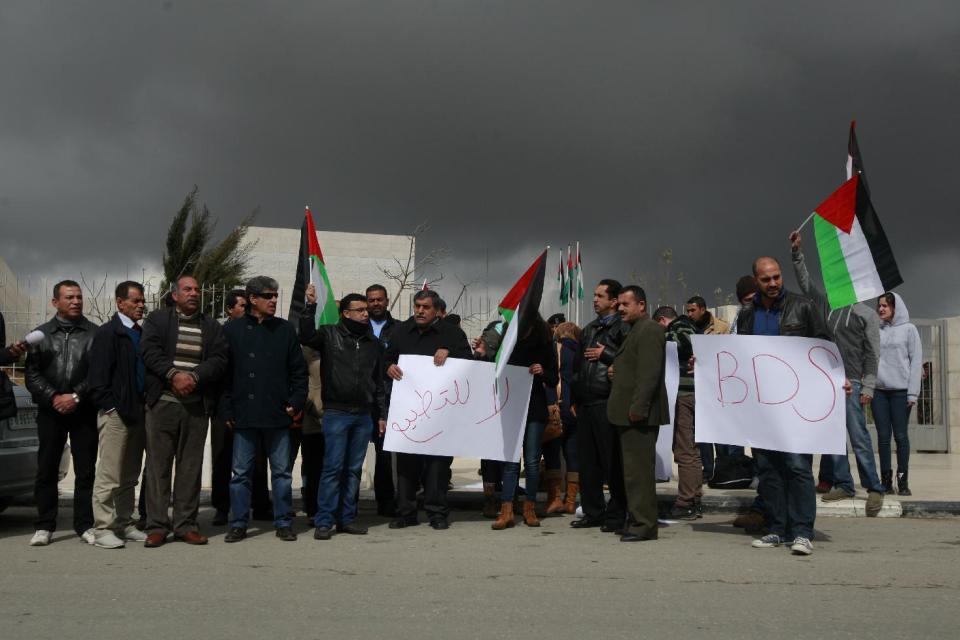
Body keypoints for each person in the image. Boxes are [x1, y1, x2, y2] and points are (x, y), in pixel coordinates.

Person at [737, 257, 836, 556]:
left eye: (776, 277)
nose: (773, 283)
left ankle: (802, 531)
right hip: (762, 405)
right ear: (756, 281)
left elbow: (825, 346)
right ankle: (777, 529)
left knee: (797, 466)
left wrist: (836, 380)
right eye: (766, 279)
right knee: (768, 468)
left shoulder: (802, 306)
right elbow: (740, 354)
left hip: (794, 404)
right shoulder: (747, 315)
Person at [791, 230, 886, 515]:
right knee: (833, 438)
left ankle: (874, 489)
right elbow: (806, 283)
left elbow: (873, 353)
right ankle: (843, 483)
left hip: (854, 384)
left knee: (859, 438)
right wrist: (797, 253)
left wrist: (868, 387)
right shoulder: (826, 306)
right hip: (829, 382)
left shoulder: (866, 314)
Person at [140, 275, 229, 547]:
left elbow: (219, 358)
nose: (194, 293)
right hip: (163, 404)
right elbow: (149, 351)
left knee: (190, 468)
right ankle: (157, 525)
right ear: (175, 295)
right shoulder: (157, 320)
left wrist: (195, 377)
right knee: (158, 467)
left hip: (196, 408)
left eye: (197, 289)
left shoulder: (211, 326)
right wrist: (173, 375)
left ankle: (185, 525)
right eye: (187, 289)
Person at [221, 276, 308, 543]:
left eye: (275, 296)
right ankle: (238, 523)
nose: (273, 301)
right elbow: (225, 374)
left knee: (281, 473)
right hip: (244, 413)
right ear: (252, 299)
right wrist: (226, 409)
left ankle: (283, 521)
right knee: (241, 474)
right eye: (268, 296)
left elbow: (299, 371)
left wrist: (296, 401)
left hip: (278, 413)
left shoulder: (284, 330)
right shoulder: (233, 331)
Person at [300, 286, 385, 540]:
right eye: (359, 310)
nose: (365, 314)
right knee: (333, 468)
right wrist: (310, 306)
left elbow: (378, 382)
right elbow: (305, 335)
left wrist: (381, 414)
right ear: (346, 313)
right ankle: (324, 521)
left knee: (353, 469)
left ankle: (347, 518)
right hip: (336, 412)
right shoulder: (329, 334)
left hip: (362, 415)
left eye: (366, 310)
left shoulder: (373, 343)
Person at [384, 290, 472, 530]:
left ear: (436, 311)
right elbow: (385, 359)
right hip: (408, 411)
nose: (420, 311)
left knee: (437, 467)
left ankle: (437, 513)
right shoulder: (401, 331)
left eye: (425, 307)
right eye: (417, 306)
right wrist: (388, 366)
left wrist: (450, 354)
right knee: (406, 466)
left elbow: (470, 365)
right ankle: (406, 513)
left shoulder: (452, 334)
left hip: (440, 413)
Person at [25, 280, 99, 547]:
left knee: (86, 470)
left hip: (84, 411)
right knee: (46, 469)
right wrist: (54, 397)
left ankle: (85, 525)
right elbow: (31, 375)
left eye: (79, 297)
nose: (76, 301)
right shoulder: (40, 335)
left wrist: (76, 396)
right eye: (69, 297)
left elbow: (98, 374)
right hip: (50, 412)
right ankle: (45, 525)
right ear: (55, 302)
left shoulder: (95, 334)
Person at [479, 315, 558, 530]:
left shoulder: (545, 343)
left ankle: (529, 508)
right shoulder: (507, 343)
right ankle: (507, 511)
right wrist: (483, 352)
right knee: (510, 461)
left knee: (532, 461)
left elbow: (553, 378)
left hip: (534, 408)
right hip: (510, 407)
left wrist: (542, 372)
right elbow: (490, 368)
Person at [85, 281, 149, 548]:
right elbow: (97, 378)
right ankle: (102, 528)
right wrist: (111, 407)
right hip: (116, 414)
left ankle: (124, 522)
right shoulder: (108, 333)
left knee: (130, 474)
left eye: (142, 300)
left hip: (139, 412)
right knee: (110, 473)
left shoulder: (141, 333)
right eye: (135, 301)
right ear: (120, 302)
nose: (141, 305)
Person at [607, 286, 669, 542]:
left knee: (639, 473)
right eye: (619, 304)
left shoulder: (650, 330)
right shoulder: (635, 330)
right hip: (627, 413)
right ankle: (636, 520)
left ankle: (644, 525)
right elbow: (635, 367)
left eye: (625, 304)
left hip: (638, 415)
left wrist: (638, 408)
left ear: (641, 305)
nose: (619, 308)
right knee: (631, 472)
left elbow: (649, 375)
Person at [571, 279, 630, 533]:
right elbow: (577, 367)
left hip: (608, 401)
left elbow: (630, 360)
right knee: (588, 463)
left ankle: (617, 515)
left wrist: (605, 355)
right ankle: (593, 511)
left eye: (600, 296)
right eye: (594, 295)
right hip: (586, 403)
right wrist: (574, 398)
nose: (594, 299)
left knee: (612, 462)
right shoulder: (589, 329)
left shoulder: (624, 327)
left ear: (614, 301)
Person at [209, 289, 272, 525]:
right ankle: (222, 507)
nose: (248, 310)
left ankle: (261, 505)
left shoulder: (260, 332)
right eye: (243, 306)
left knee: (257, 460)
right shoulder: (222, 334)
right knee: (223, 458)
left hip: (253, 407)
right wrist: (224, 408)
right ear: (230, 310)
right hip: (225, 406)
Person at [652, 305, 701, 520]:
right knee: (690, 449)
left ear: (662, 320)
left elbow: (684, 342)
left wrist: (660, 336)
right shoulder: (687, 326)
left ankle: (686, 502)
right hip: (688, 394)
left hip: (684, 395)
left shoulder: (681, 326)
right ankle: (693, 498)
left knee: (685, 450)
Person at [873, 292, 922, 496]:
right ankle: (885, 481)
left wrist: (913, 393)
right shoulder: (877, 330)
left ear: (895, 307)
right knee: (883, 438)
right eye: (879, 306)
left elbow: (916, 361)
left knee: (901, 437)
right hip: (879, 392)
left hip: (901, 393)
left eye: (885, 305)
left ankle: (903, 481)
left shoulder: (909, 330)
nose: (881, 309)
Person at [686, 295, 731, 481]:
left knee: (719, 429)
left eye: (692, 310)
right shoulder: (688, 329)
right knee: (702, 431)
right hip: (698, 386)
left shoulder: (722, 328)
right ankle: (708, 469)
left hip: (718, 386)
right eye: (687, 311)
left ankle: (722, 468)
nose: (689, 314)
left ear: (703, 309)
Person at [543, 321, 581, 515]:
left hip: (553, 407)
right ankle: (571, 501)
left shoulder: (552, 348)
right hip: (573, 408)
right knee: (572, 454)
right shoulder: (581, 351)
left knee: (552, 453)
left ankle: (555, 498)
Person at [366, 284, 397, 516]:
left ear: (387, 301)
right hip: (360, 399)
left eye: (379, 299)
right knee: (352, 456)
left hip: (388, 400)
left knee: (385, 458)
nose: (376, 303)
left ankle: (385, 504)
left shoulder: (399, 329)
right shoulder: (356, 327)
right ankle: (347, 505)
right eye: (371, 300)